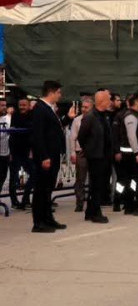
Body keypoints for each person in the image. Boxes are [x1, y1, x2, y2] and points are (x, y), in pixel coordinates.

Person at [30, 81, 73, 232]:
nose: (60, 95)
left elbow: (55, 128)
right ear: (51, 92)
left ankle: (48, 219)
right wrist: (44, 156)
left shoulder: (48, 108)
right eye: (58, 92)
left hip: (53, 155)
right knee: (41, 190)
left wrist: (68, 118)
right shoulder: (40, 109)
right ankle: (38, 222)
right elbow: (38, 135)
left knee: (48, 189)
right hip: (46, 156)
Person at [114, 93, 138, 216]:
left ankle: (130, 205)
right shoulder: (131, 116)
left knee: (132, 181)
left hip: (134, 153)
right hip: (133, 155)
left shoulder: (135, 115)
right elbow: (131, 136)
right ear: (136, 102)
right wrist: (137, 153)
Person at [78, 90, 114, 224]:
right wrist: (88, 149)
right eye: (109, 99)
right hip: (95, 156)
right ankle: (96, 213)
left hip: (104, 155)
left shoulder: (104, 116)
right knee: (97, 185)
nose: (110, 102)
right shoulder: (90, 117)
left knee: (98, 185)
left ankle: (90, 211)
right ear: (102, 101)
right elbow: (81, 136)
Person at [9, 97, 33, 209]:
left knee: (34, 174)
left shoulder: (32, 115)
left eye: (24, 105)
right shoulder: (15, 115)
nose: (22, 107)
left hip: (27, 151)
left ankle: (25, 199)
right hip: (15, 151)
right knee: (13, 177)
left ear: (28, 106)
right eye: (20, 105)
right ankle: (14, 201)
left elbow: (31, 128)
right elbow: (13, 132)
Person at [70, 98, 94, 212]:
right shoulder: (77, 120)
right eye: (82, 107)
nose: (83, 109)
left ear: (92, 108)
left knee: (94, 178)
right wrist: (72, 152)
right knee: (80, 179)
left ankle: (92, 201)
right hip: (80, 152)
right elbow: (72, 138)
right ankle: (79, 202)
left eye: (86, 107)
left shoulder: (95, 120)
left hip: (93, 152)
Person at [0, 100, 10, 204]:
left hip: (5, 153)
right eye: (2, 105)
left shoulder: (7, 119)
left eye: (5, 105)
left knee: (3, 176)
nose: (4, 107)